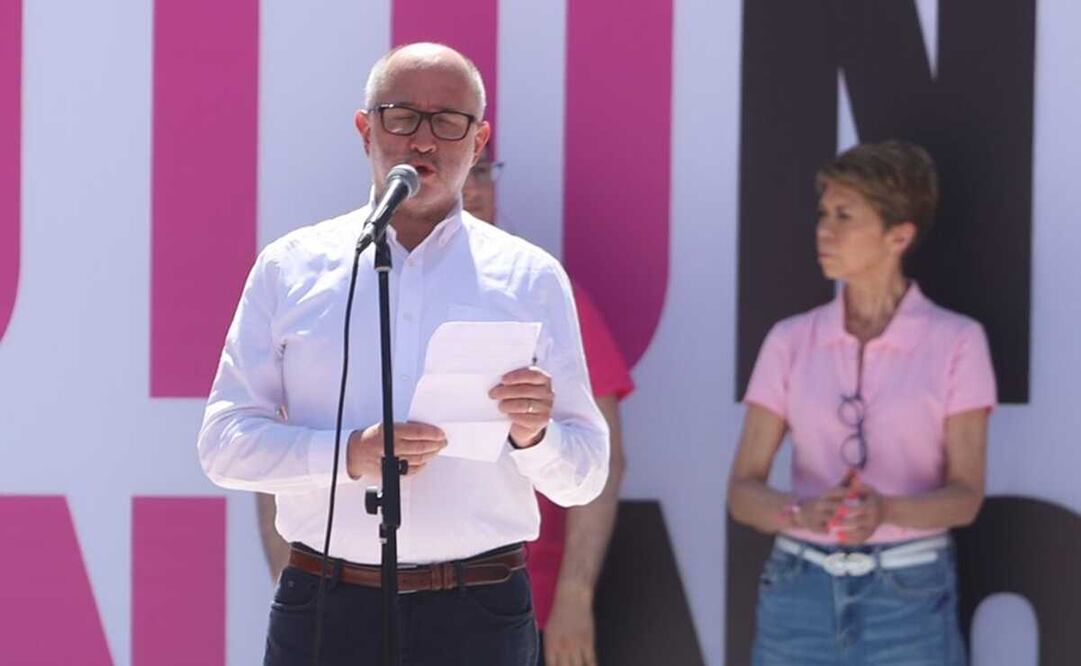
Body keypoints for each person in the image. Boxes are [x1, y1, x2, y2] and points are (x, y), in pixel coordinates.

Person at [199, 42, 609, 666]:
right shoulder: (291, 268)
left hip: (480, 610)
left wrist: (533, 436)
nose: (424, 141)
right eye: (401, 117)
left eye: (449, 122)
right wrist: (350, 454)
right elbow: (224, 444)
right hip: (329, 604)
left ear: (479, 139)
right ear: (365, 130)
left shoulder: (530, 278)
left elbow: (585, 475)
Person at [256, 148, 635, 666]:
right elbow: (273, 444)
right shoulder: (334, 290)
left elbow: (600, 462)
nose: (473, 187)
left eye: (481, 170)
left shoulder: (534, 287)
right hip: (336, 601)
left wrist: (575, 594)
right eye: (460, 171)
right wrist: (293, 583)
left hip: (492, 597)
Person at [727, 140, 996, 665]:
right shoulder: (790, 339)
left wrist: (887, 510)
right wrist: (801, 512)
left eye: (845, 216)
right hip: (796, 588)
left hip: (910, 591)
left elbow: (966, 496)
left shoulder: (958, 341)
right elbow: (742, 490)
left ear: (899, 235)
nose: (824, 231)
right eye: (824, 213)